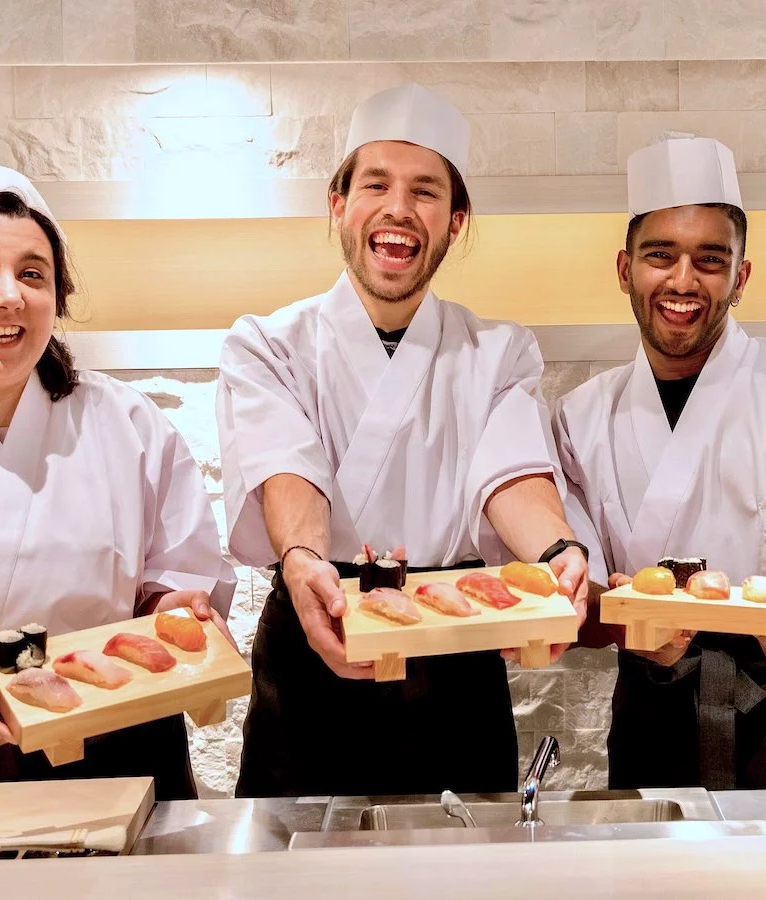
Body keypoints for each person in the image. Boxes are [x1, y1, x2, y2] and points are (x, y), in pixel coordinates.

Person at [217, 83, 589, 798]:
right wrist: (302, 561)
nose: (398, 207)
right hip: (316, 623)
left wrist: (557, 552)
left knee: (464, 868)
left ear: (455, 221)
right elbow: (285, 469)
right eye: (375, 184)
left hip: (456, 652)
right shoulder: (267, 344)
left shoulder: (499, 351)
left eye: (425, 191)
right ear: (339, 206)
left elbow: (513, 474)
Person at [555, 137, 766, 791]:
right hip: (652, 712)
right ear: (625, 269)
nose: (683, 281)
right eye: (660, 256)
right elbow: (577, 595)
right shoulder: (579, 420)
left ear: (740, 278)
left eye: (710, 261)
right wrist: (625, 624)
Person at [0, 165, 235, 797]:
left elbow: (172, 576)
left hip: (120, 746)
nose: (8, 296)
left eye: (33, 274)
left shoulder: (126, 421)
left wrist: (172, 608)